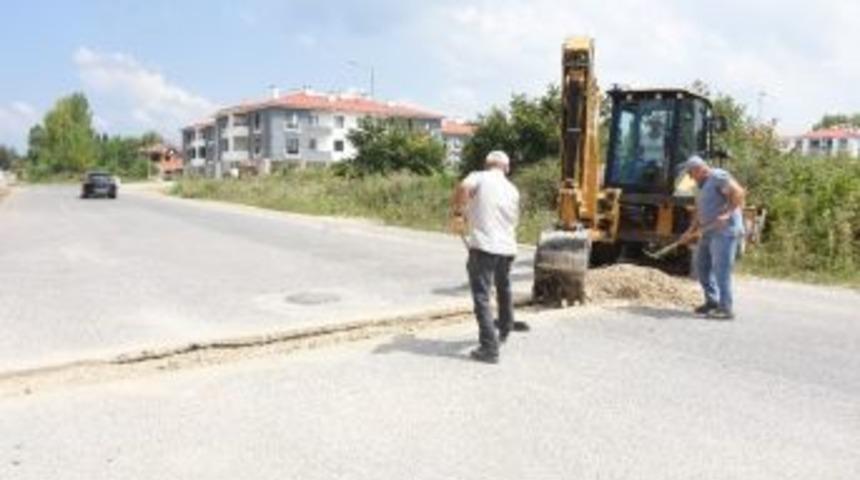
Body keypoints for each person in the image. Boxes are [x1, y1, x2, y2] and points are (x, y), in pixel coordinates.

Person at [450, 151, 520, 364]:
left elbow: (463, 188)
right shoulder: (512, 189)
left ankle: (489, 348)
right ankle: (505, 328)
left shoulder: (479, 176)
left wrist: (458, 213)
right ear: (506, 168)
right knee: (503, 288)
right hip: (507, 248)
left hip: (484, 247)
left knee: (481, 296)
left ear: (487, 164)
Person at [679, 155, 746, 320]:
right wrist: (690, 230)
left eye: (690, 173)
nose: (689, 177)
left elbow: (738, 193)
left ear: (699, 169)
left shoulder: (718, 177)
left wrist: (728, 214)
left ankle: (726, 308)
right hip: (707, 231)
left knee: (720, 270)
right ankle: (712, 301)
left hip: (724, 231)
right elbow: (699, 210)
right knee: (701, 266)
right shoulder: (701, 185)